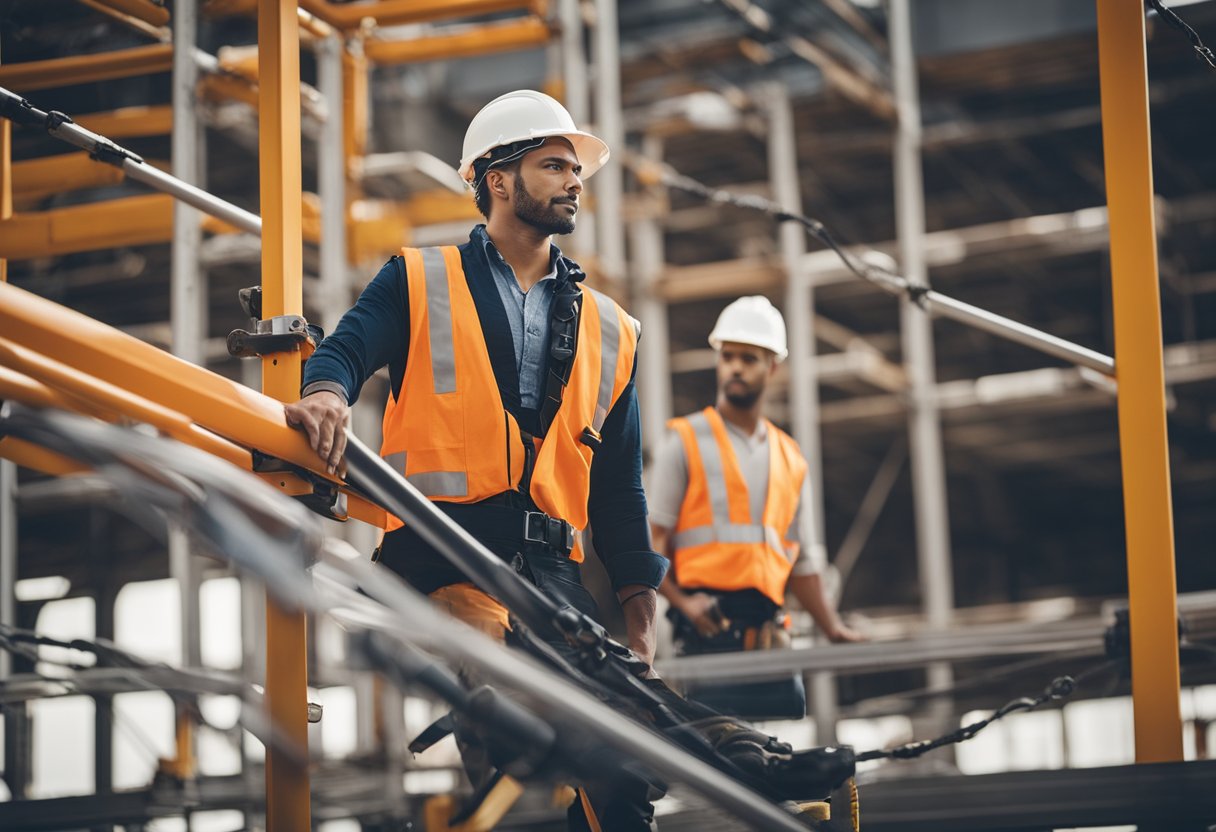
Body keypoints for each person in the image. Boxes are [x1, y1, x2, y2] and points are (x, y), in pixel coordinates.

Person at [285, 90, 666, 830]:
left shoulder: (610, 328)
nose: (573, 181)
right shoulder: (421, 278)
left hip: (550, 575)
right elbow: (346, 347)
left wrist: (638, 614)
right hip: (445, 554)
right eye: (553, 165)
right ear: (497, 179)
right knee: (511, 723)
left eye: (576, 169)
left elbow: (619, 489)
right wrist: (328, 393)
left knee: (626, 762)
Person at [648, 296, 863, 720]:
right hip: (707, 635)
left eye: (749, 358)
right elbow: (649, 545)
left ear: (773, 368)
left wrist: (832, 628)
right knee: (722, 759)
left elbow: (801, 562)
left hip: (771, 639)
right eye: (727, 356)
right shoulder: (684, 441)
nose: (735, 368)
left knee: (777, 762)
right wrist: (683, 603)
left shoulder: (790, 456)